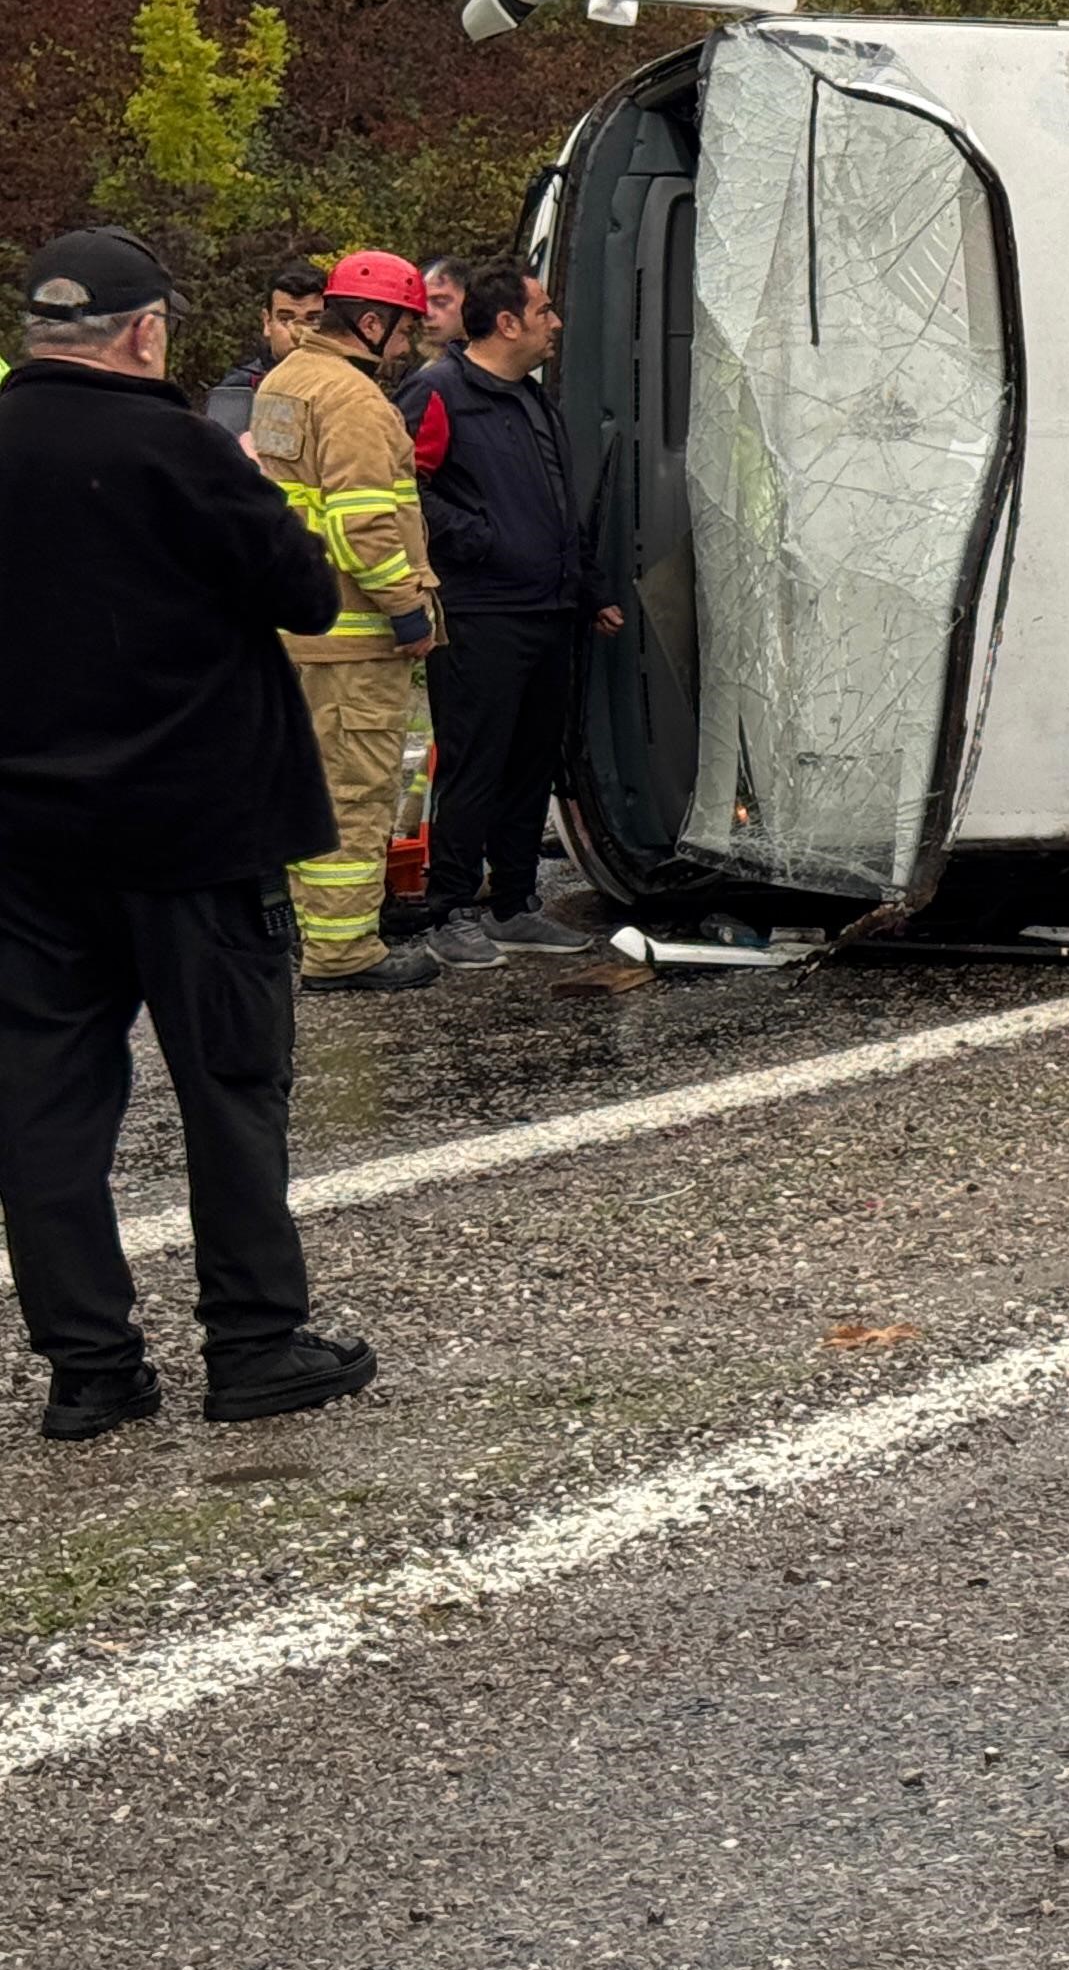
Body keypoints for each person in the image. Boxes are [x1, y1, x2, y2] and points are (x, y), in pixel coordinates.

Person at [0, 228, 376, 1435]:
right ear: (146, 331)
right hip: (197, 831)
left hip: (27, 841)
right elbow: (305, 590)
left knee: (44, 1099)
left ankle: (88, 1369)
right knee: (228, 1085)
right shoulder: (182, 448)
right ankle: (254, 1342)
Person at [395, 265, 621, 963]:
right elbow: (402, 487)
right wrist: (480, 539)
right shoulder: (437, 392)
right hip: (479, 613)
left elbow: (558, 506)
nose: (556, 323)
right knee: (474, 762)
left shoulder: (533, 400)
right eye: (544, 310)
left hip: (549, 612)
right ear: (507, 323)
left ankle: (515, 902)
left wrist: (589, 588)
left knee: (529, 763)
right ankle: (449, 910)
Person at [251, 247, 444, 992]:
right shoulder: (355, 401)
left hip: (294, 630)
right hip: (353, 637)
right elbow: (364, 525)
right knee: (355, 792)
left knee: (301, 786)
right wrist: (407, 612)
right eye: (400, 334)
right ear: (368, 322)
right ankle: (342, 951)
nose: (403, 351)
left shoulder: (283, 382)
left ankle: (306, 927)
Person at [200, 258, 326, 440]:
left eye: (313, 319)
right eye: (286, 319)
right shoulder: (240, 388)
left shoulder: (348, 388)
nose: (298, 331)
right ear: (267, 322)